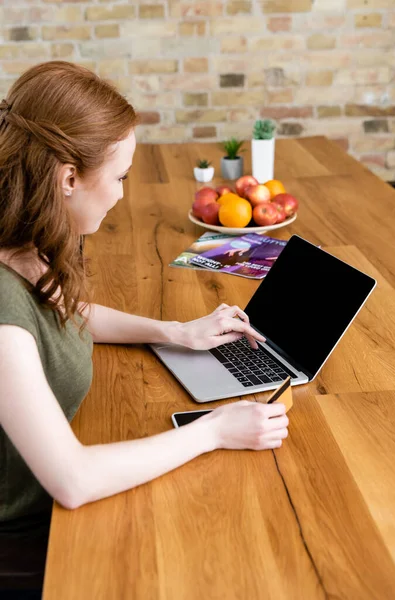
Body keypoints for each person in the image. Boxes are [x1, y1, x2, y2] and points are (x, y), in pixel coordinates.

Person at [0, 61, 289, 593]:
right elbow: (74, 480)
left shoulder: (23, 243)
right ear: (68, 179)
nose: (121, 195)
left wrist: (176, 331)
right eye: (119, 178)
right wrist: (213, 431)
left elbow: (66, 311)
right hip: (30, 540)